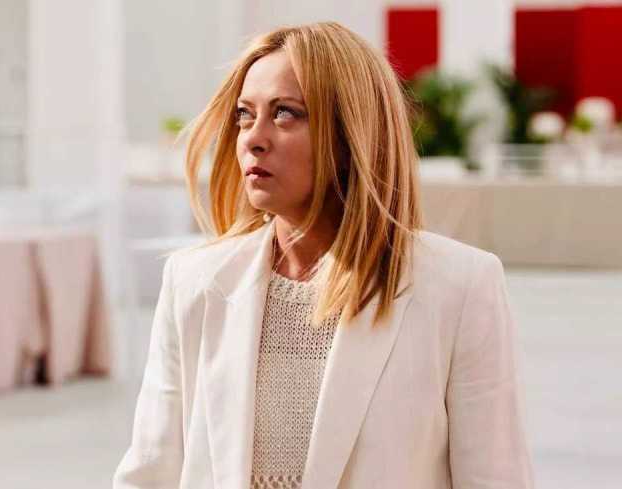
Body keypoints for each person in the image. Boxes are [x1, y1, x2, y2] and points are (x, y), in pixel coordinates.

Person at [114, 22, 534, 489]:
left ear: (352, 133)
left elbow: (496, 479)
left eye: (285, 113)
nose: (253, 137)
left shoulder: (459, 286)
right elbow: (149, 475)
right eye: (244, 115)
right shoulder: (193, 281)